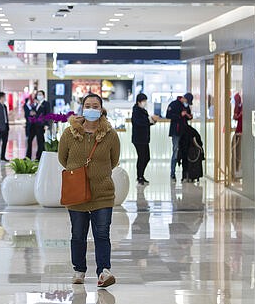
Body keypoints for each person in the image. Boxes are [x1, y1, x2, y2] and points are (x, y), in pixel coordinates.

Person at [58, 93, 120, 288]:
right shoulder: (69, 133)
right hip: (76, 193)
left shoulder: (110, 135)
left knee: (102, 234)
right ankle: (79, 270)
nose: (91, 108)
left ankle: (104, 271)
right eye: (88, 105)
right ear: (82, 108)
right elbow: (63, 158)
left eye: (95, 105)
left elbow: (114, 160)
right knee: (78, 234)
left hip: (103, 193)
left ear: (101, 109)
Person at [131, 94, 159, 185]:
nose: (145, 103)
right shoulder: (136, 111)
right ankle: (139, 176)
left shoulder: (143, 111)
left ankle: (141, 175)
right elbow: (138, 122)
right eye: (144, 101)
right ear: (139, 102)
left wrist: (152, 121)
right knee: (142, 157)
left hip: (144, 138)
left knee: (146, 157)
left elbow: (145, 123)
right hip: (138, 139)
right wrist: (150, 120)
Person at [166, 93, 193, 181]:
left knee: (185, 151)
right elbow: (168, 115)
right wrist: (179, 115)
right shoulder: (173, 104)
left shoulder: (186, 106)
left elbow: (188, 116)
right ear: (183, 98)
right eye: (187, 101)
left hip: (185, 131)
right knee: (175, 151)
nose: (187, 104)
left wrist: (189, 116)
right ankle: (172, 173)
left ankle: (185, 174)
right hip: (176, 131)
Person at [26, 90, 49, 161]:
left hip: (40, 125)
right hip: (33, 125)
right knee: (29, 140)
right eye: (38, 94)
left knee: (40, 141)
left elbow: (47, 114)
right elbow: (32, 112)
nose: (39, 96)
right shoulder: (35, 103)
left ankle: (39, 157)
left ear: (43, 96)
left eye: (40, 94)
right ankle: (28, 156)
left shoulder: (46, 104)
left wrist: (46, 124)